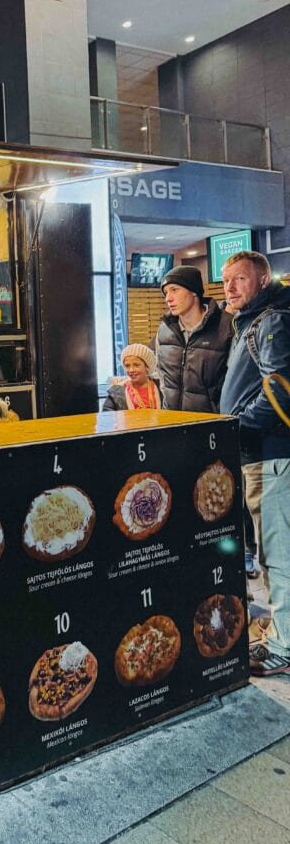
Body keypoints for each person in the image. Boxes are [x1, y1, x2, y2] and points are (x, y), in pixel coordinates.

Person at [220, 250, 290, 677]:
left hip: (270, 454)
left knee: (278, 555)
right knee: (271, 552)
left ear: (263, 281)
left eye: (239, 279)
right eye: (226, 280)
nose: (229, 288)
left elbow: (280, 392)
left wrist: (237, 426)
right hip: (260, 454)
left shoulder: (272, 322)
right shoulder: (253, 321)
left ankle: (283, 646)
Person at [155, 265, 232, 413]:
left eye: (174, 290)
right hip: (173, 422)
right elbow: (162, 378)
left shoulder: (226, 326)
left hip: (212, 424)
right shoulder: (165, 329)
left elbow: (235, 381)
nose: (168, 298)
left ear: (194, 292)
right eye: (165, 293)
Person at [102, 344, 162, 411]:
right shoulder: (116, 392)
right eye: (127, 366)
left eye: (136, 365)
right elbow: (107, 416)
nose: (131, 370)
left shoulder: (162, 388)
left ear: (147, 367)